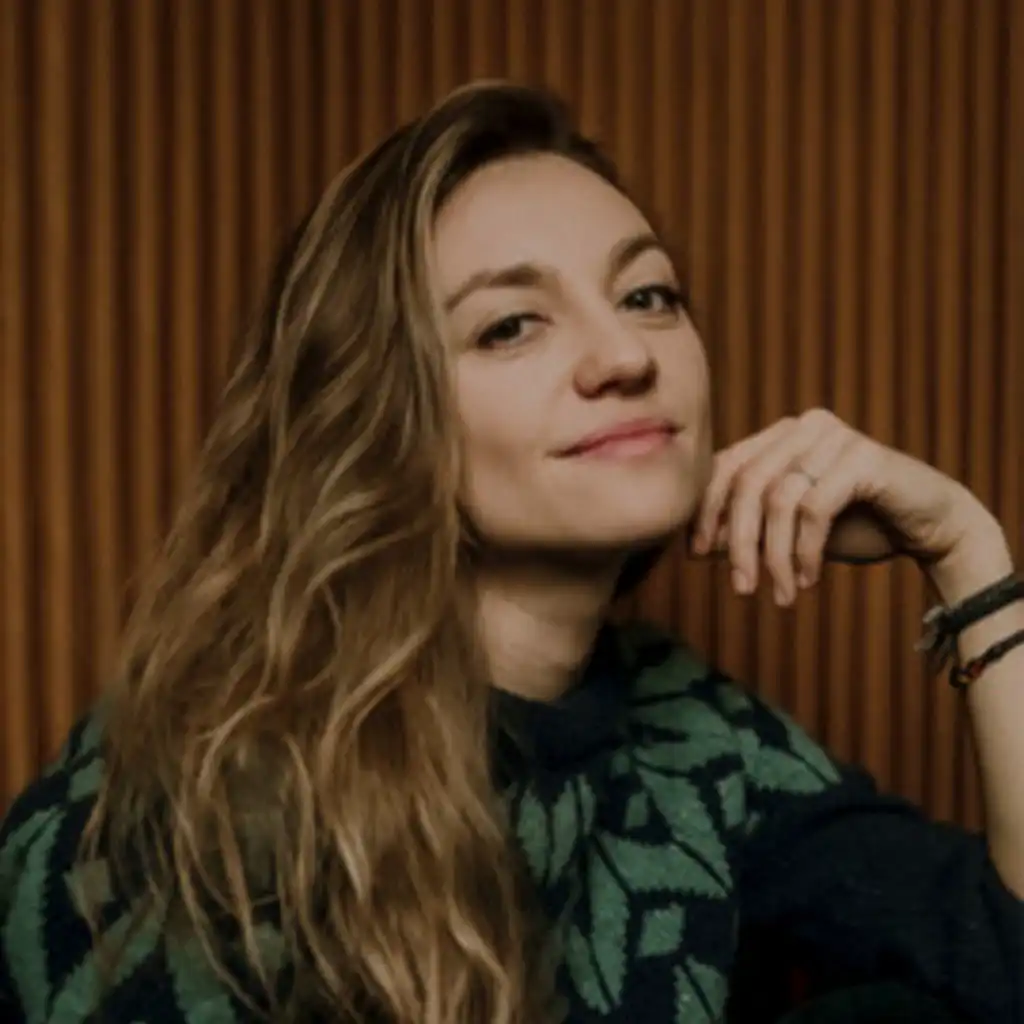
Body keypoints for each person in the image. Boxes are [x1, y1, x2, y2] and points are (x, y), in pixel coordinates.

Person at [0, 81, 1021, 1024]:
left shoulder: (692, 738)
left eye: (647, 295)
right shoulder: (205, 794)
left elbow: (1004, 956)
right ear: (380, 417)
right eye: (510, 326)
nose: (625, 356)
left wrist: (966, 553)